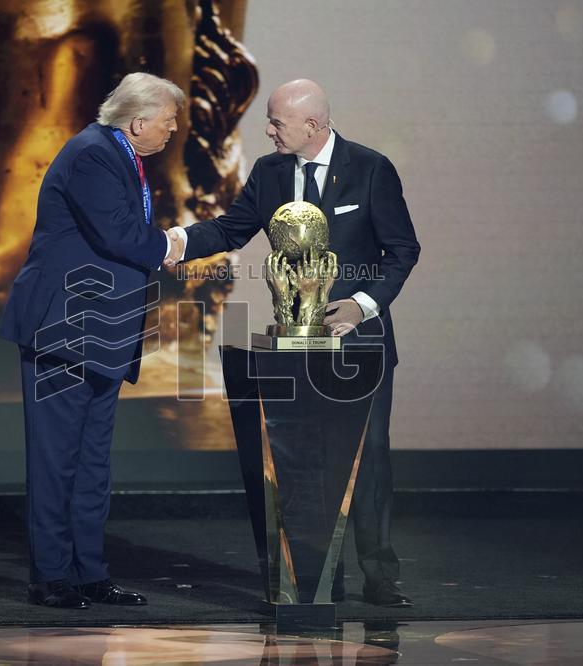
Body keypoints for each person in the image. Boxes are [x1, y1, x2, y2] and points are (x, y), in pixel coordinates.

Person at [165, 79, 420, 607]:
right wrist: (178, 241)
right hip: (294, 348)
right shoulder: (270, 172)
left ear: (313, 125)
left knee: (368, 459)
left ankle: (380, 575)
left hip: (360, 345)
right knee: (304, 461)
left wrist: (362, 305)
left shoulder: (370, 169)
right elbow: (232, 230)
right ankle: (319, 575)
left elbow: (402, 250)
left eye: (277, 122)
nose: (268, 131)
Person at [0, 72, 186, 609]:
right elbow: (119, 234)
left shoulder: (119, 156)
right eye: (169, 120)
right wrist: (172, 245)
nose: (173, 129)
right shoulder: (93, 156)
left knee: (92, 463)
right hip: (65, 329)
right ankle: (51, 577)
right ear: (138, 121)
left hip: (102, 332)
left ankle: (89, 574)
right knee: (56, 460)